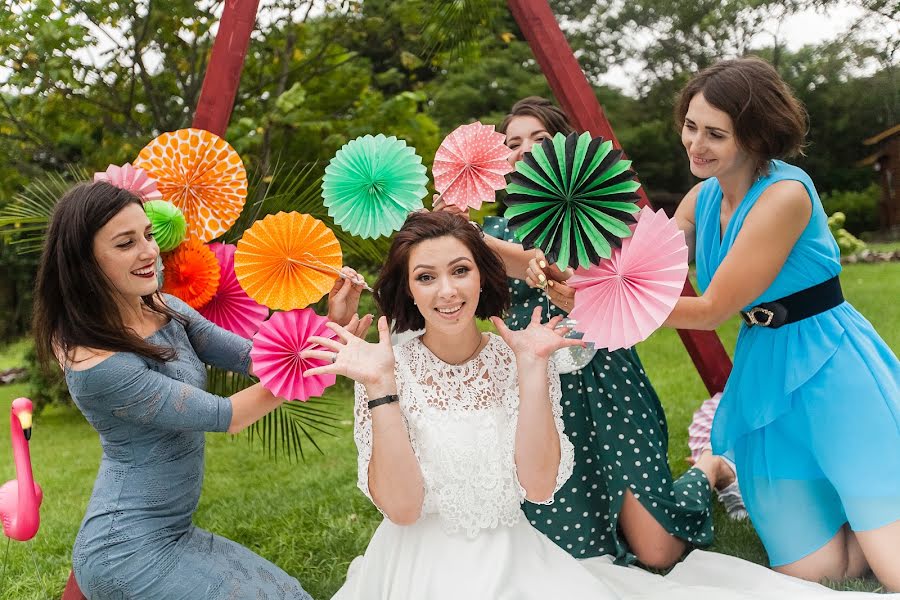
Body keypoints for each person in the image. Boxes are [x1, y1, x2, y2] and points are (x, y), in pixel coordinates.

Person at [304, 211, 895, 600]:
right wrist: (381, 386)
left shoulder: (519, 353)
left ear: (483, 278)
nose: (448, 291)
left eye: (460, 271)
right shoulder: (385, 361)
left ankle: (714, 474)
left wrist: (534, 373)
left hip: (520, 565)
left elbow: (537, 487)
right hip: (415, 573)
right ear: (408, 288)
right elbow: (404, 510)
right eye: (426, 277)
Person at [434, 96, 737, 568]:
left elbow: (546, 266)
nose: (524, 149)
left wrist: (469, 237)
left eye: (539, 138)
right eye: (512, 143)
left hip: (610, 385)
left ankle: (712, 467)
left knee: (656, 552)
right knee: (579, 554)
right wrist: (445, 232)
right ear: (499, 162)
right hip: (538, 399)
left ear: (564, 148)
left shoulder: (599, 213)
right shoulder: (486, 231)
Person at [31, 181, 366, 599]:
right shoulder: (97, 364)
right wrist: (308, 362)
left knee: (288, 593)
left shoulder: (167, 310)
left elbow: (255, 357)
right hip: (126, 553)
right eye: (125, 243)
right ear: (85, 262)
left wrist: (328, 326)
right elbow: (227, 416)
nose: (149, 251)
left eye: (149, 235)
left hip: (174, 532)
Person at [661, 56, 900, 590]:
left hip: (831, 365)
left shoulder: (785, 195)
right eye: (691, 126)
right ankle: (857, 506)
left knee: (897, 573)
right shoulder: (702, 197)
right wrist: (575, 274)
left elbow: (711, 311)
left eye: (715, 134)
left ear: (756, 136)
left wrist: (612, 314)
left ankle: (873, 500)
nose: (695, 144)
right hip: (765, 361)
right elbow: (649, 262)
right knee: (813, 572)